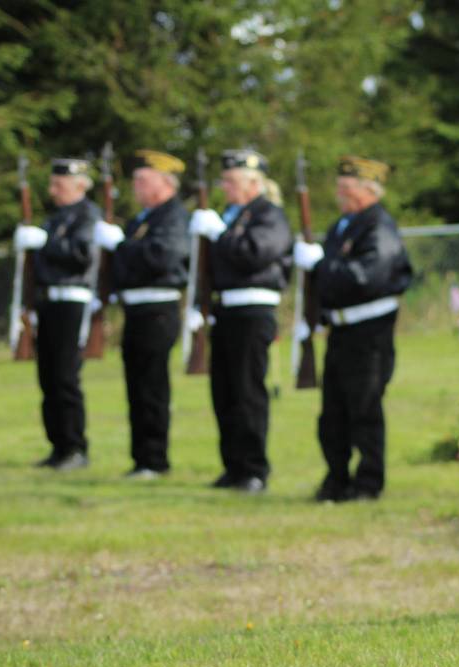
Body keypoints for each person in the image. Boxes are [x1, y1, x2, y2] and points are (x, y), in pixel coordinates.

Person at [293, 156, 413, 503]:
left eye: (347, 188)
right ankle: (337, 478)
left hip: (369, 333)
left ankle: (368, 482)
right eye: (339, 187)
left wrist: (321, 264)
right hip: (341, 330)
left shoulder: (379, 226)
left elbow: (366, 276)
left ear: (368, 190)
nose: (339, 194)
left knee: (365, 408)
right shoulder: (344, 225)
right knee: (334, 412)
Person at [188, 149, 292, 494]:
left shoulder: (268, 214)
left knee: (248, 392)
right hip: (225, 311)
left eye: (231, 180)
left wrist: (221, 234)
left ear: (253, 183)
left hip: (253, 310)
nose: (225, 186)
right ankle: (232, 465)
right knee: (225, 391)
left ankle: (253, 469)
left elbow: (255, 254)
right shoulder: (230, 215)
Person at [92, 150, 190, 479]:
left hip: (157, 310)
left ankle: (155, 459)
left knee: (151, 387)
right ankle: (142, 458)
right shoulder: (143, 218)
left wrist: (121, 246)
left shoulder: (173, 216)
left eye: (142, 180)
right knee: (136, 386)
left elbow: (163, 257)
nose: (135, 186)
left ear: (165, 182)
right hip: (136, 309)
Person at [14, 158, 101, 470]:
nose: (52, 191)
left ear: (79, 184)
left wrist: (45, 243)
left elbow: (80, 255)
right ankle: (58, 446)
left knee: (65, 376)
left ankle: (75, 447)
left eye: (58, 185)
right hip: (49, 301)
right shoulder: (56, 217)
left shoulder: (88, 215)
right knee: (48, 377)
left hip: (72, 300)